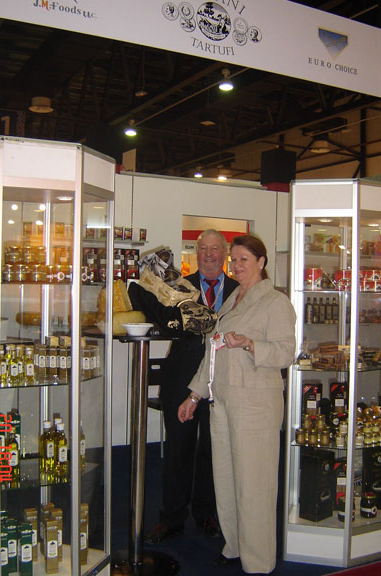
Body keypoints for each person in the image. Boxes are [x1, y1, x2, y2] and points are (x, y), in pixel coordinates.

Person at [178, 234, 296, 575]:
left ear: (261, 262)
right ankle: (234, 545)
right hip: (223, 402)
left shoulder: (275, 302)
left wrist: (249, 344)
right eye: (235, 259)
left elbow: (286, 352)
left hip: (255, 406)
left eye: (244, 259)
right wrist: (194, 395)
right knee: (227, 480)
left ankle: (258, 561)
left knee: (254, 485)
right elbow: (212, 353)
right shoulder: (232, 300)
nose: (237, 265)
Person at [145, 229, 239, 544]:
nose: (209, 254)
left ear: (224, 254)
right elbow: (162, 320)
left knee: (214, 449)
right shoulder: (178, 287)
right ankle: (171, 519)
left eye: (215, 249)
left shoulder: (240, 290)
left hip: (222, 380)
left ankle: (207, 514)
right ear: (196, 253)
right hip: (182, 379)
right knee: (177, 450)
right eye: (203, 249)